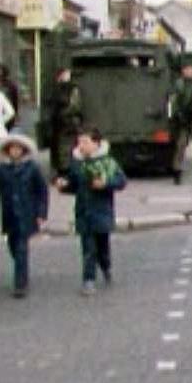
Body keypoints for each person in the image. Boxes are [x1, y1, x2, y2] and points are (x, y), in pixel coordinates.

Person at [0, 134, 48, 298]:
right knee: (13, 245)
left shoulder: (32, 168)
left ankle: (20, 284)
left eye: (18, 148)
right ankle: (21, 269)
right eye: (12, 148)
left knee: (21, 247)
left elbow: (42, 192)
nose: (15, 151)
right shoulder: (2, 170)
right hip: (10, 214)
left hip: (27, 213)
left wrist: (41, 213)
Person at [55, 126, 126, 296]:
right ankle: (89, 280)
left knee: (102, 246)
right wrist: (64, 186)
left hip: (102, 212)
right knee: (88, 248)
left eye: (85, 142)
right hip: (84, 212)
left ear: (96, 143)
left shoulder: (107, 162)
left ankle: (106, 266)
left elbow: (121, 181)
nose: (81, 146)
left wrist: (105, 184)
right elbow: (74, 184)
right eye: (79, 142)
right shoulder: (77, 163)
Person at [49, 67, 83, 177]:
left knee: (67, 147)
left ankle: (67, 170)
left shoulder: (72, 89)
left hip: (68, 122)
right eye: (63, 74)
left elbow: (75, 106)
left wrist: (64, 114)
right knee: (61, 147)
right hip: (59, 122)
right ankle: (63, 169)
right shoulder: (57, 88)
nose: (65, 76)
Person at [0, 64, 19, 132]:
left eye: (0, 73)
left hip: (7, 114)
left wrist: (15, 114)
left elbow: (15, 101)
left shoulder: (11, 86)